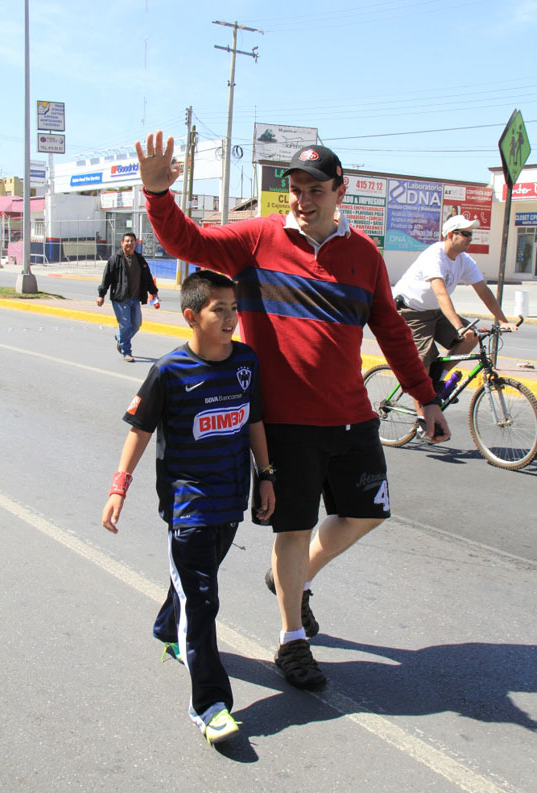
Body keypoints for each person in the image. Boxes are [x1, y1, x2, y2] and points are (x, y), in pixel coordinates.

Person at [135, 132, 449, 690]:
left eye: (315, 189)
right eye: (295, 189)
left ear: (340, 191)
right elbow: (188, 240)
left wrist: (425, 396)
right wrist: (158, 194)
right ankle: (291, 641)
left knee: (368, 513)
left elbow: (393, 332)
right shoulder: (258, 239)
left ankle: (294, 583)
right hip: (287, 422)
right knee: (294, 528)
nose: (303, 199)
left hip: (353, 416)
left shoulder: (364, 255)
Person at [101, 269, 275, 745]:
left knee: (194, 581)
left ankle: (164, 626)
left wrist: (266, 475)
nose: (231, 319)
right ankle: (210, 705)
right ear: (192, 316)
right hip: (188, 504)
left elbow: (254, 419)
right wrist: (120, 486)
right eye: (220, 310)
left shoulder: (246, 362)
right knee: (202, 599)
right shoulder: (170, 371)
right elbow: (139, 429)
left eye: (234, 309)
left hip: (230, 499)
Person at [393, 214, 518, 428]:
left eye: (472, 234)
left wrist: (503, 320)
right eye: (466, 234)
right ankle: (423, 418)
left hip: (435, 311)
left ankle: (436, 378)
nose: (471, 238)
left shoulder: (464, 261)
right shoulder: (435, 255)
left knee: (470, 337)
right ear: (450, 235)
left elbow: (483, 291)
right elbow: (442, 295)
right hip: (411, 310)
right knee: (422, 358)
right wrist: (458, 326)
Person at [97, 232, 159, 362]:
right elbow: (106, 278)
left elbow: (147, 278)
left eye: (132, 241)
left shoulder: (140, 260)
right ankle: (126, 352)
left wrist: (154, 292)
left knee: (136, 324)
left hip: (135, 298)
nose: (129, 244)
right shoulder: (115, 259)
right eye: (127, 241)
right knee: (125, 324)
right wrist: (101, 295)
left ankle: (120, 338)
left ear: (135, 243)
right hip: (120, 298)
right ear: (122, 243)